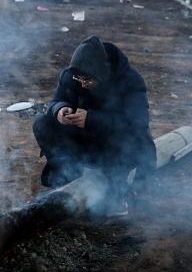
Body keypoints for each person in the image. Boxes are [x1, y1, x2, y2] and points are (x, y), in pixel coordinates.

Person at [34, 36, 155, 216]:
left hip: (118, 148)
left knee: (102, 210)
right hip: (87, 143)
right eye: (79, 78)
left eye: (88, 80)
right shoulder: (71, 76)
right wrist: (60, 110)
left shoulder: (130, 80)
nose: (82, 84)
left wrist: (91, 119)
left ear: (102, 73)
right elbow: (56, 101)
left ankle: (115, 189)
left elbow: (137, 124)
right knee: (43, 123)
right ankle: (67, 177)